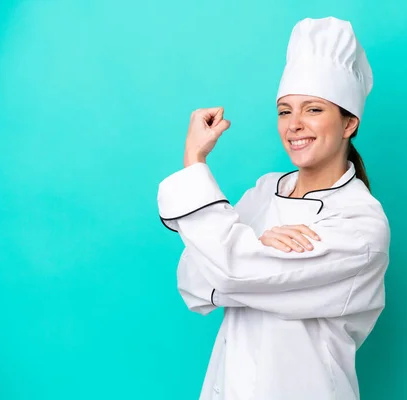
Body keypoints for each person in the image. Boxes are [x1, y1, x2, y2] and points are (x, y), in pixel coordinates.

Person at [157, 16, 390, 400]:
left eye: (313, 110)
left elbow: (228, 273)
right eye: (285, 111)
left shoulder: (361, 225)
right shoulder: (267, 190)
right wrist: (254, 247)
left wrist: (194, 161)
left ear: (349, 123)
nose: (294, 125)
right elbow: (193, 283)